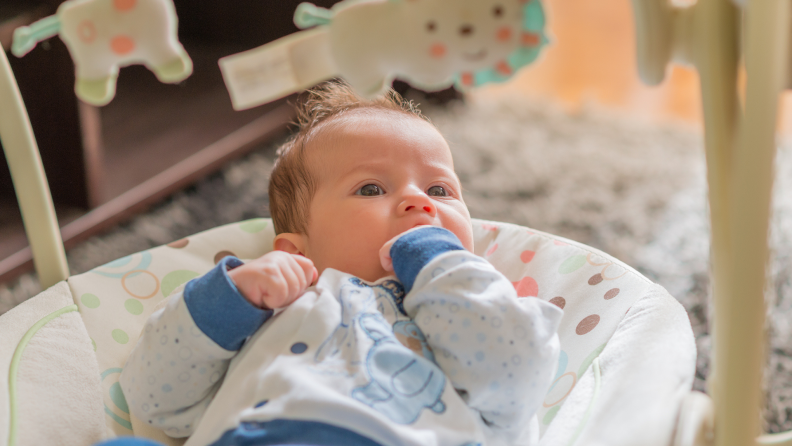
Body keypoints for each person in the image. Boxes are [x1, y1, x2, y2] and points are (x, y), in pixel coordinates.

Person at [119, 82, 562, 446]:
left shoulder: (477, 300)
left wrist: (441, 263)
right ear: (297, 251)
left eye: (440, 191)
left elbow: (513, 380)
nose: (417, 201)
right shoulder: (277, 302)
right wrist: (232, 295)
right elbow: (154, 397)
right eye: (371, 189)